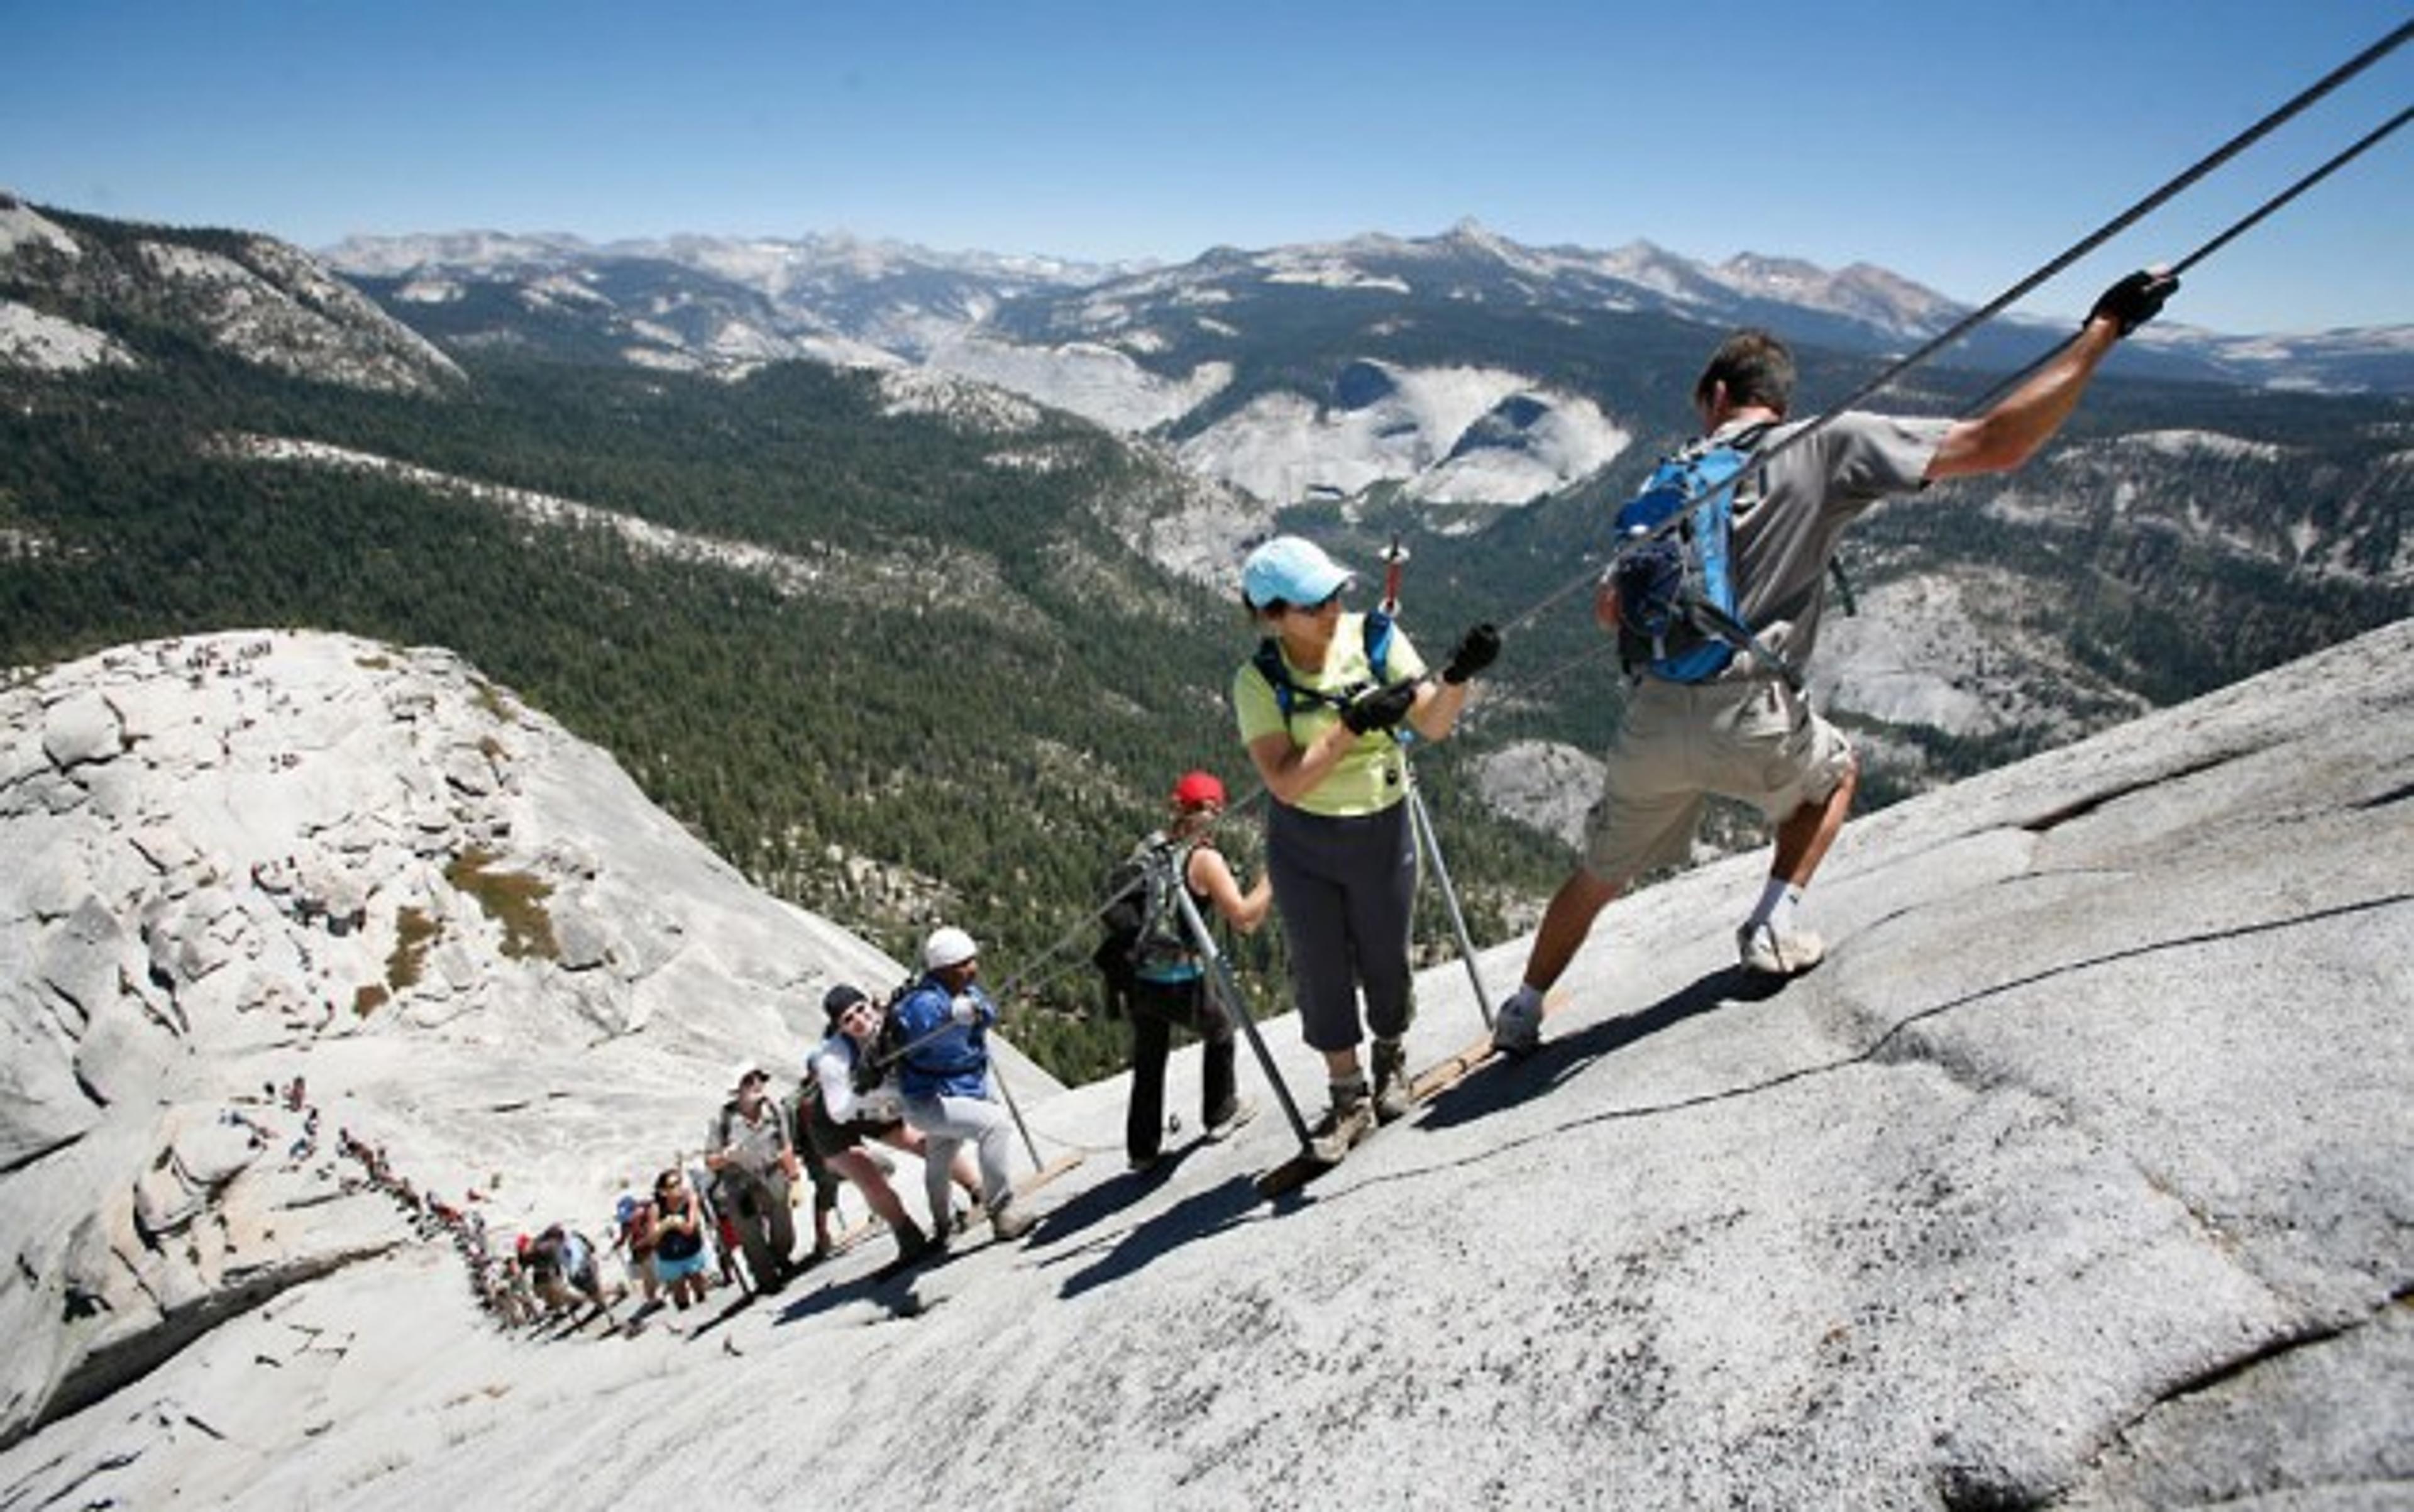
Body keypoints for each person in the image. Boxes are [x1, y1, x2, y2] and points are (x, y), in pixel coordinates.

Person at [1492, 270, 2180, 1054]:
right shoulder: (1824, 442)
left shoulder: (1667, 481)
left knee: (1598, 873)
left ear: (1716, 395)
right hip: (1753, 709)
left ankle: (1523, 1008)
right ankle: (1772, 920)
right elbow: (2000, 443)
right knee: (1837, 771)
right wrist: (2102, 332)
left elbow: (1610, 610)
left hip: (1652, 712)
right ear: (1774, 399)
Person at [1233, 536, 1501, 1155]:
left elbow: (1431, 722)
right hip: (1303, 839)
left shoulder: (1375, 637)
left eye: (1333, 595)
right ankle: (1347, 1095)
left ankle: (1390, 1056)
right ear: (1274, 614)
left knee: (1386, 954)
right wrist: (1354, 723)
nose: (1331, 609)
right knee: (1320, 966)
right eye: (1313, 603)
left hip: (1382, 822)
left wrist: (1457, 675)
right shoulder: (1257, 681)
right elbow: (1288, 782)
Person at [1117, 770, 1274, 1171]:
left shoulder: (1152, 849)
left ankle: (1143, 1149)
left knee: (1150, 1059)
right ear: (1211, 812)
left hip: (1139, 975)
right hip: (1180, 977)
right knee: (1219, 1031)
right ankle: (1221, 1113)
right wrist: (1272, 880)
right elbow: (1244, 920)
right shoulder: (1204, 859)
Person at [806, 982, 984, 1267]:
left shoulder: (892, 1025)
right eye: (848, 1020)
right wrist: (864, 1091)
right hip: (832, 1123)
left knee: (925, 1144)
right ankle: (907, 1235)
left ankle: (979, 1191)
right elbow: (839, 1112)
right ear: (840, 1027)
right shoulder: (833, 1058)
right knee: (869, 1178)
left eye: (860, 1010)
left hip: (878, 1109)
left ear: (870, 1005)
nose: (859, 1021)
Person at [894, 926, 1039, 1242]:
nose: (973, 968)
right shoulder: (922, 1004)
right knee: (994, 1126)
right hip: (927, 1099)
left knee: (941, 1154)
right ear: (944, 969)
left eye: (972, 961)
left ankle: (942, 1225)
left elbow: (987, 1012)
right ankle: (1002, 1212)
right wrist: (950, 1016)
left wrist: (975, 1011)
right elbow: (920, 1033)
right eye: (965, 963)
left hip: (959, 1090)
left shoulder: (964, 992)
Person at [703, 1062, 803, 1291]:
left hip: (773, 1173)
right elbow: (710, 1160)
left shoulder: (775, 1111)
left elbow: (786, 1147)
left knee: (783, 1225)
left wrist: (795, 1178)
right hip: (738, 1183)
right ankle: (766, 1279)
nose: (757, 1084)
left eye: (760, 1078)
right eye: (749, 1080)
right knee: (750, 1235)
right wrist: (727, 1157)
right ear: (737, 1090)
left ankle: (781, 1258)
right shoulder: (722, 1120)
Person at [648, 1167, 712, 1310]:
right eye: (673, 1186)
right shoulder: (656, 1208)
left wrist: (677, 1223)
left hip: (691, 1250)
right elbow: (652, 1239)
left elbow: (691, 1227)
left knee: (699, 1286)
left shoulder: (690, 1198)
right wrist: (665, 1225)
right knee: (680, 1292)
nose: (678, 1188)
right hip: (669, 1256)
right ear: (664, 1192)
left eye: (679, 1183)